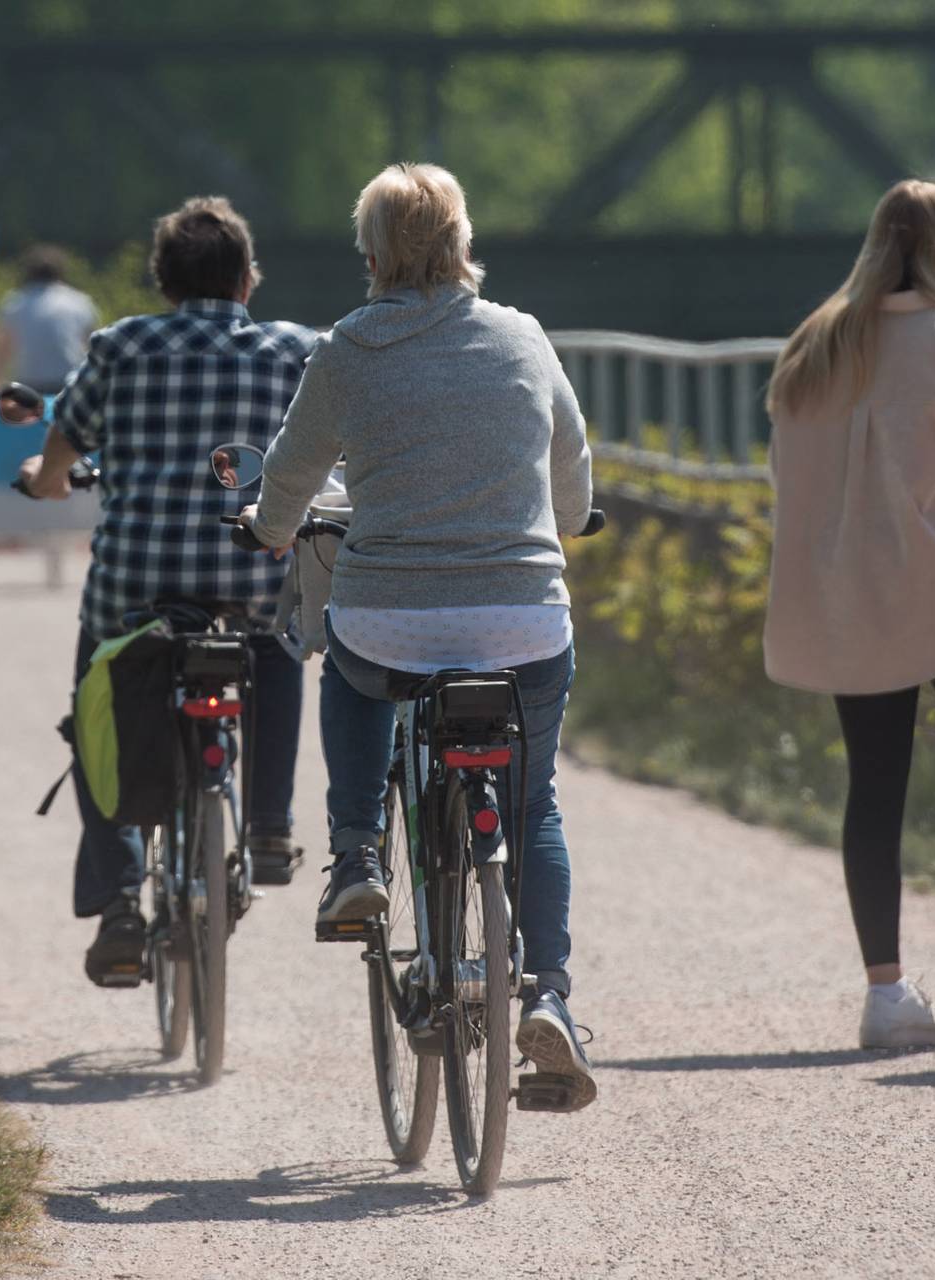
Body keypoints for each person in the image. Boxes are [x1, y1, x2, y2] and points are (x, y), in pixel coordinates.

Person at [240, 162, 602, 1110]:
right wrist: (571, 518)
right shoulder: (523, 336)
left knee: (351, 668)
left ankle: (357, 853)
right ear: (463, 243)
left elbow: (292, 472)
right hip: (523, 622)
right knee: (533, 803)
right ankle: (550, 995)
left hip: (389, 618)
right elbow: (571, 463)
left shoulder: (348, 348)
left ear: (371, 255)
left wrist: (271, 527)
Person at [761, 179, 935, 1050]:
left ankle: (886, 992)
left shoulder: (817, 341)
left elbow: (789, 478)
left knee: (874, 784)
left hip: (854, 591)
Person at [15, 198, 322, 986]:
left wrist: (45, 479)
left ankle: (121, 899)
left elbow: (64, 446)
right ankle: (270, 827)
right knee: (280, 641)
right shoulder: (296, 350)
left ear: (163, 282)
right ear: (248, 280)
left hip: (136, 589)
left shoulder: (120, 346)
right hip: (251, 582)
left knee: (98, 708)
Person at [0, 245, 99, 394]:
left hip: (29, 384)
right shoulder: (79, 302)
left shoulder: (15, 303)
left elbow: (1, 350)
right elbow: (94, 348)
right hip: (69, 383)